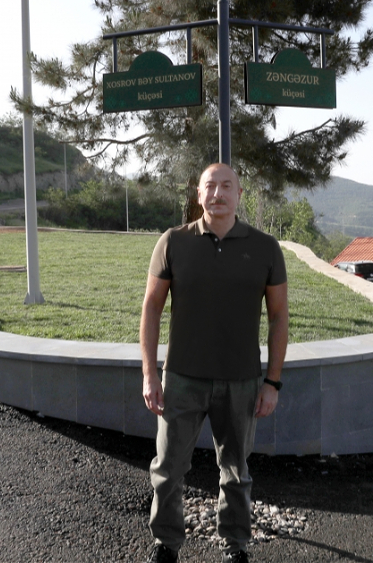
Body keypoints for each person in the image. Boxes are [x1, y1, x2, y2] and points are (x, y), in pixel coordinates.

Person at [140, 163, 289, 563]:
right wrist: (150, 374)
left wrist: (272, 382)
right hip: (181, 379)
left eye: (226, 186)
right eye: (210, 186)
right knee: (168, 468)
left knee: (236, 472)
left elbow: (279, 317)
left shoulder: (265, 248)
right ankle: (166, 544)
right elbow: (151, 308)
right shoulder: (173, 242)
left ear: (239, 194)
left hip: (241, 381)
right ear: (199, 194)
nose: (218, 193)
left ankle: (236, 546)